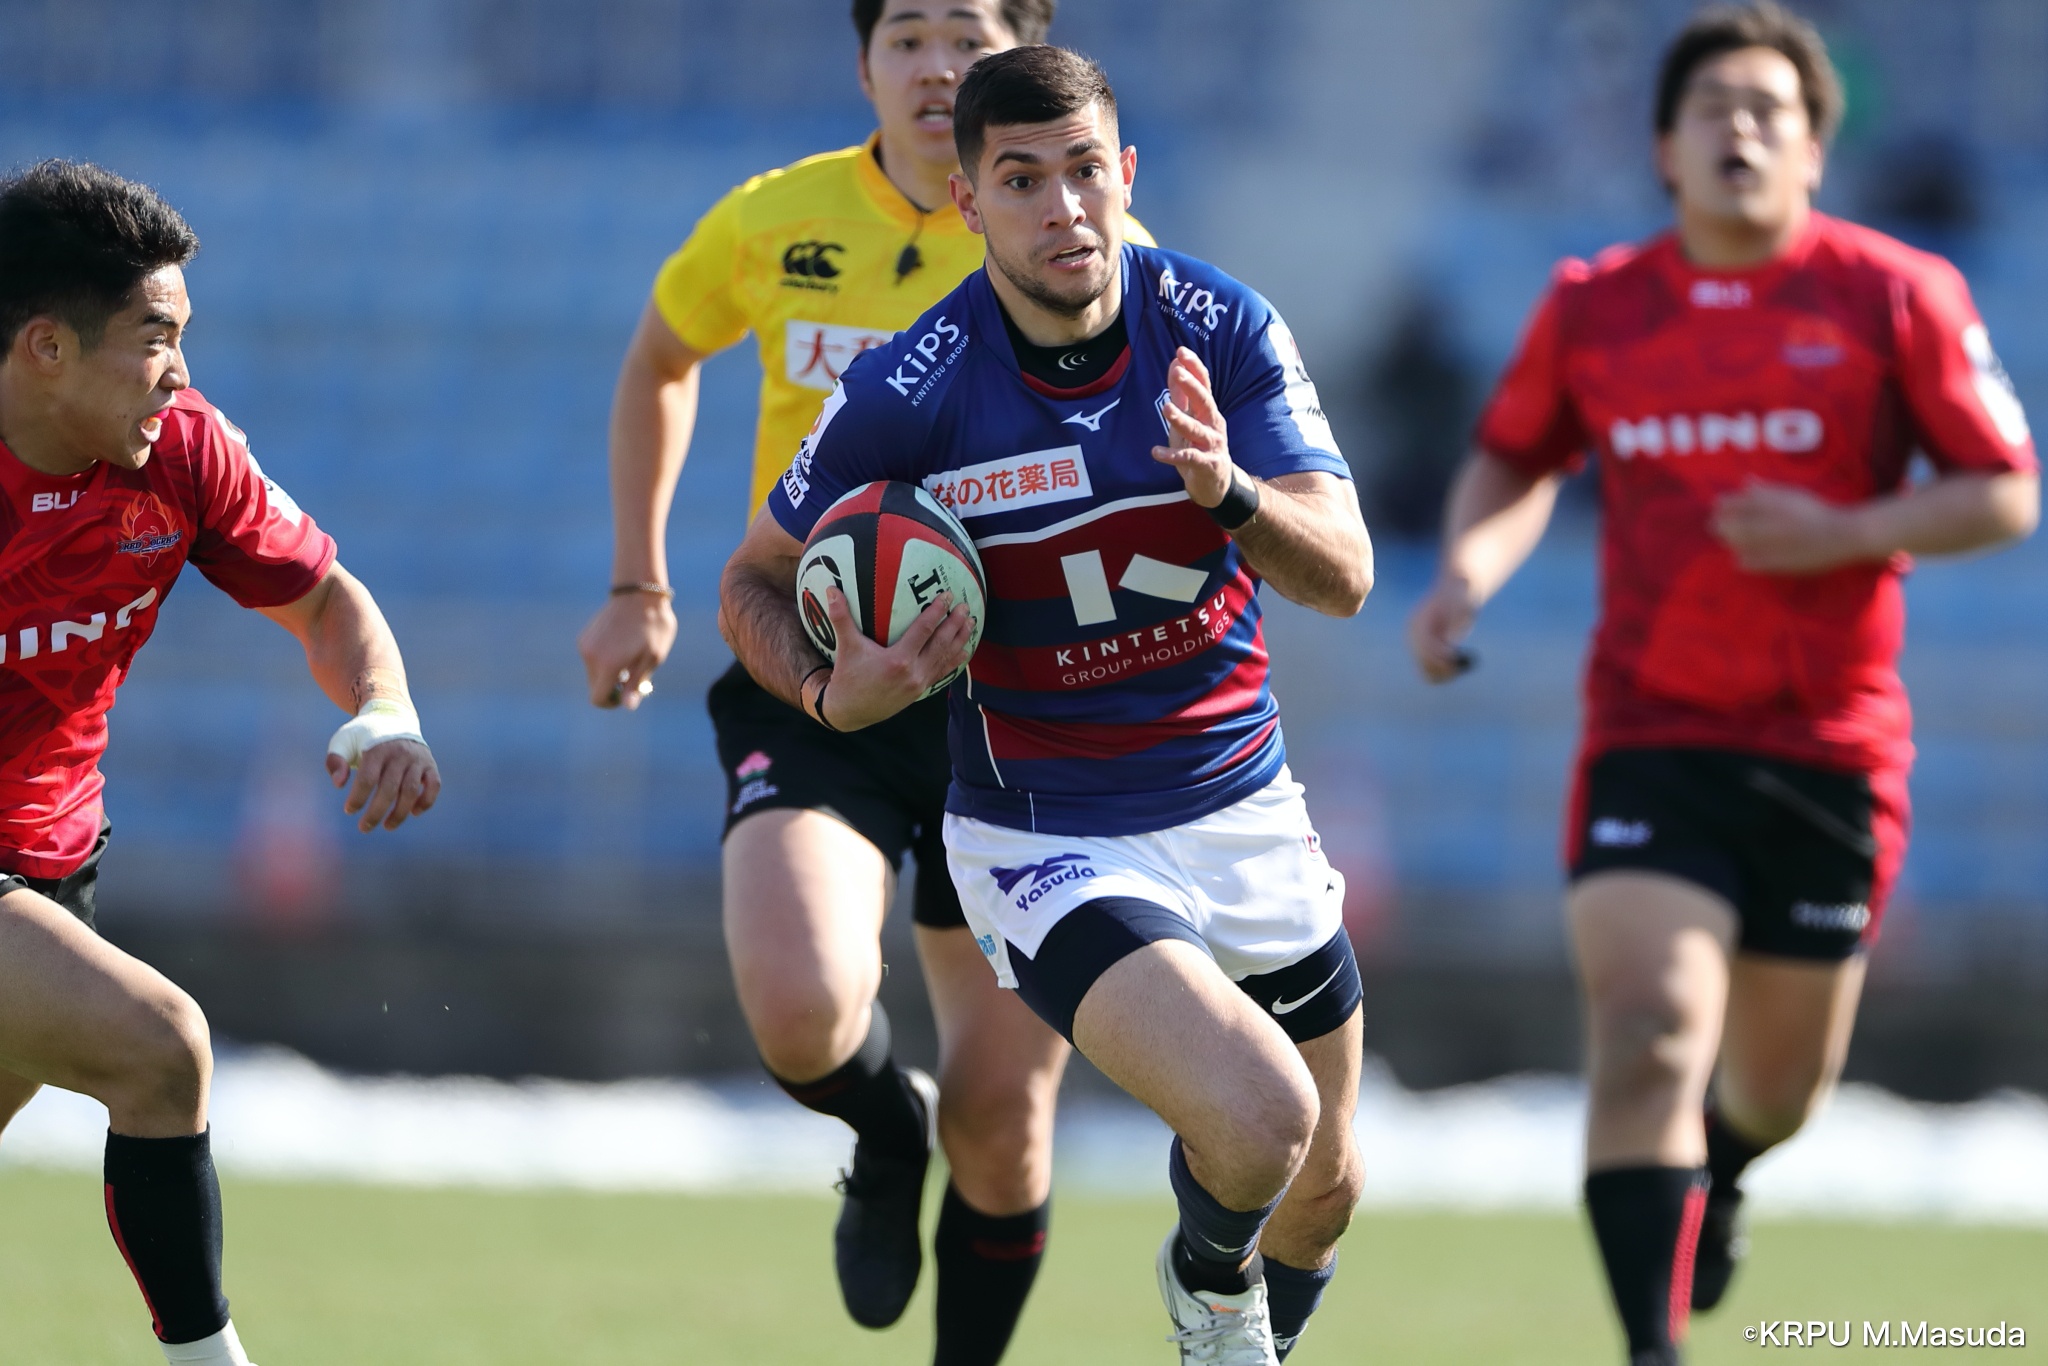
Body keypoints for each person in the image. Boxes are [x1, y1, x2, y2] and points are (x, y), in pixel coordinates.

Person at [721, 46, 1373, 1366]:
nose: (1063, 207)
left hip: (1242, 802)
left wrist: (1232, 494)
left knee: (1323, 1190)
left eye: (1083, 170)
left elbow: (1345, 574)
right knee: (1261, 1116)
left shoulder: (1220, 327)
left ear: (1124, 173)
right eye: (1020, 179)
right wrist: (828, 689)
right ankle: (1208, 1294)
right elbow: (751, 580)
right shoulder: (911, 387)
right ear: (969, 200)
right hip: (1048, 831)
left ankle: (1233, 1299)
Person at [1406, 5, 2038, 1363]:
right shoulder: (1595, 305)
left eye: (1769, 111)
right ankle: (1651, 1344)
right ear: (1664, 149)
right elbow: (1514, 455)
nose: (1739, 129)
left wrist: (1849, 529)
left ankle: (1728, 1165)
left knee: (1777, 1088)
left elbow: (2004, 489)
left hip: (1829, 748)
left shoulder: (1896, 294)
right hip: (1649, 731)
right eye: (1712, 108)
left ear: (1813, 150)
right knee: (1647, 1030)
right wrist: (1465, 570)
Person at [574, 4, 1154, 1357]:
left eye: (970, 34)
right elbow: (661, 356)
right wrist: (637, 584)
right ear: (864, 66)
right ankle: (885, 1128)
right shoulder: (774, 219)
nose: (937, 64)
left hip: (1017, 716)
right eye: (907, 36)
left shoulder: (1085, 247)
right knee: (799, 1013)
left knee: (1002, 1121)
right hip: (815, 671)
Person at [0, 161, 442, 1366]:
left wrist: (386, 706)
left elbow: (325, 602)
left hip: (55, 862)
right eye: (155, 339)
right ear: (47, 347)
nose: (181, 373)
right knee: (163, 1048)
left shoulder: (180, 454)